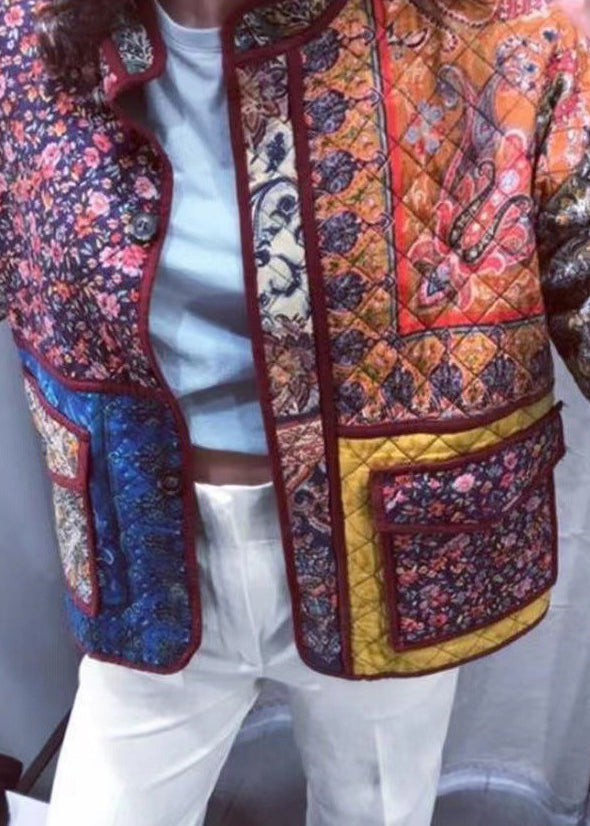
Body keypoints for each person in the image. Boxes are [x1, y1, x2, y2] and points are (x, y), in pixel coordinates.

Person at [1, 0, 589, 824]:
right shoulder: (28, 44)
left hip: (393, 554)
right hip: (148, 554)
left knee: (374, 810)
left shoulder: (497, 34)